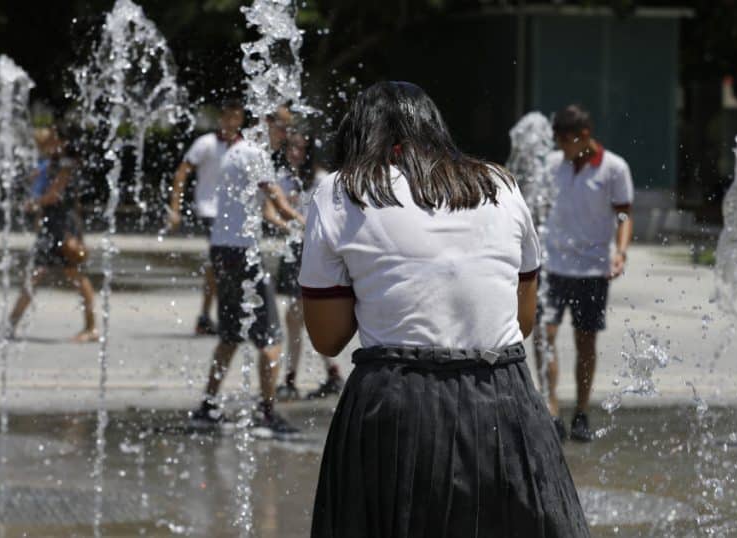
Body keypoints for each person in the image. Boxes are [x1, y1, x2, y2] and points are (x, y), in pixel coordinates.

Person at [302, 81, 589, 537]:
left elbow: (328, 336)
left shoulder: (340, 191)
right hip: (504, 398)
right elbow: (523, 319)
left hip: (396, 407)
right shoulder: (500, 184)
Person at [189, 108, 306, 437]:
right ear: (267, 124)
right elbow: (280, 203)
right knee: (271, 340)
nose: (288, 135)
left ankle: (207, 407)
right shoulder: (257, 155)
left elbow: (267, 211)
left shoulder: (238, 152)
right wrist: (312, 226)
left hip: (223, 251)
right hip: (242, 254)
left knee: (229, 336)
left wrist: (289, 228)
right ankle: (267, 417)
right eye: (284, 128)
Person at [541, 104, 634, 442]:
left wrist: (620, 254)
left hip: (592, 269)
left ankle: (581, 411)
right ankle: (551, 408)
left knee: (585, 342)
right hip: (553, 266)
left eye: (563, 139)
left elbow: (624, 214)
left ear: (583, 136)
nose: (559, 146)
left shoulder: (613, 168)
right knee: (544, 335)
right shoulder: (552, 165)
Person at [0, 126, 98, 342]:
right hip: (54, 225)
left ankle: (91, 328)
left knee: (75, 275)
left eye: (54, 140)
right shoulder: (55, 163)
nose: (48, 145)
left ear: (63, 143)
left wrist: (32, 204)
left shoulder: (67, 164)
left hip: (63, 227)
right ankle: (10, 324)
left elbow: (54, 195)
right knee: (37, 274)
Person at [269, 131, 344, 401]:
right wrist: (289, 222)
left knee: (298, 315)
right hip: (294, 248)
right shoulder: (283, 179)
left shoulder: (323, 180)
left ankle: (293, 378)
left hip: (315, 250)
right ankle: (330, 373)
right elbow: (273, 212)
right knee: (298, 316)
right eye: (290, 148)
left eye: (299, 148)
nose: (294, 153)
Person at [168, 100, 246, 336]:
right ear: (221, 119)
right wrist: (175, 208)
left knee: (223, 264)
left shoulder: (244, 146)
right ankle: (222, 315)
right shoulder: (206, 144)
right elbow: (182, 173)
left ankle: (212, 315)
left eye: (237, 117)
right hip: (210, 209)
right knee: (221, 264)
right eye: (228, 117)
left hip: (234, 214)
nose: (232, 122)